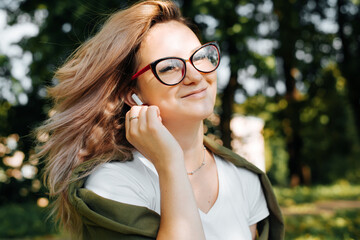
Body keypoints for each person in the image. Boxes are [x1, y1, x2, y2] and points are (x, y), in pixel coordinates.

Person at [36, 0, 284, 239]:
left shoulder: (244, 178)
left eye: (200, 56)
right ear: (132, 95)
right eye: (169, 67)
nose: (196, 76)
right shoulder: (114, 183)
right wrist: (171, 162)